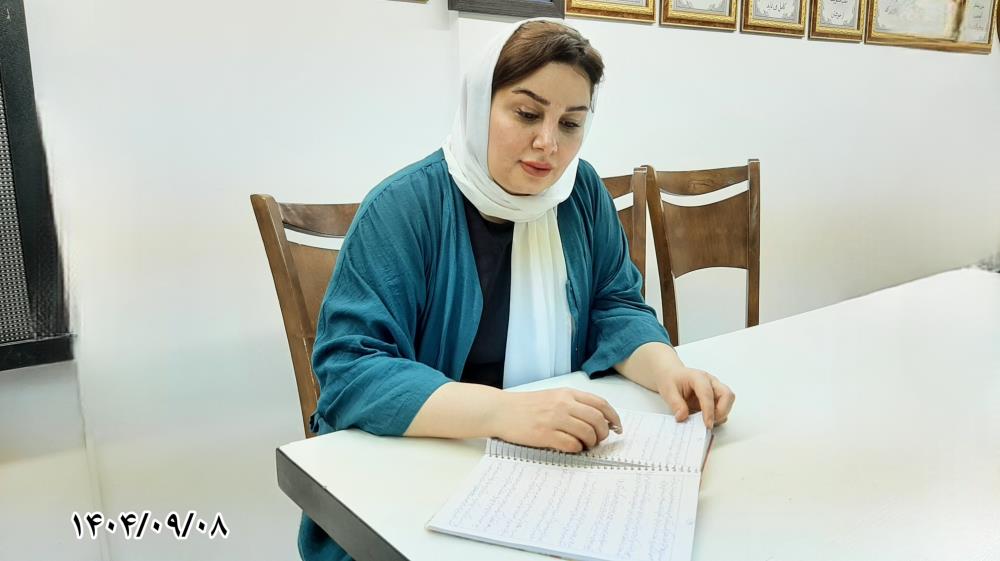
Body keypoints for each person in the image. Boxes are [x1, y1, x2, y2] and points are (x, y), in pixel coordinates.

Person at [298, 19, 735, 561]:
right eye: (527, 114)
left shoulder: (579, 193)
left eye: (570, 123)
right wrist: (506, 414)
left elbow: (615, 304)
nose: (548, 144)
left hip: (553, 472)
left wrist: (669, 371)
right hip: (419, 478)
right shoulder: (404, 207)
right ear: (479, 105)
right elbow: (351, 370)